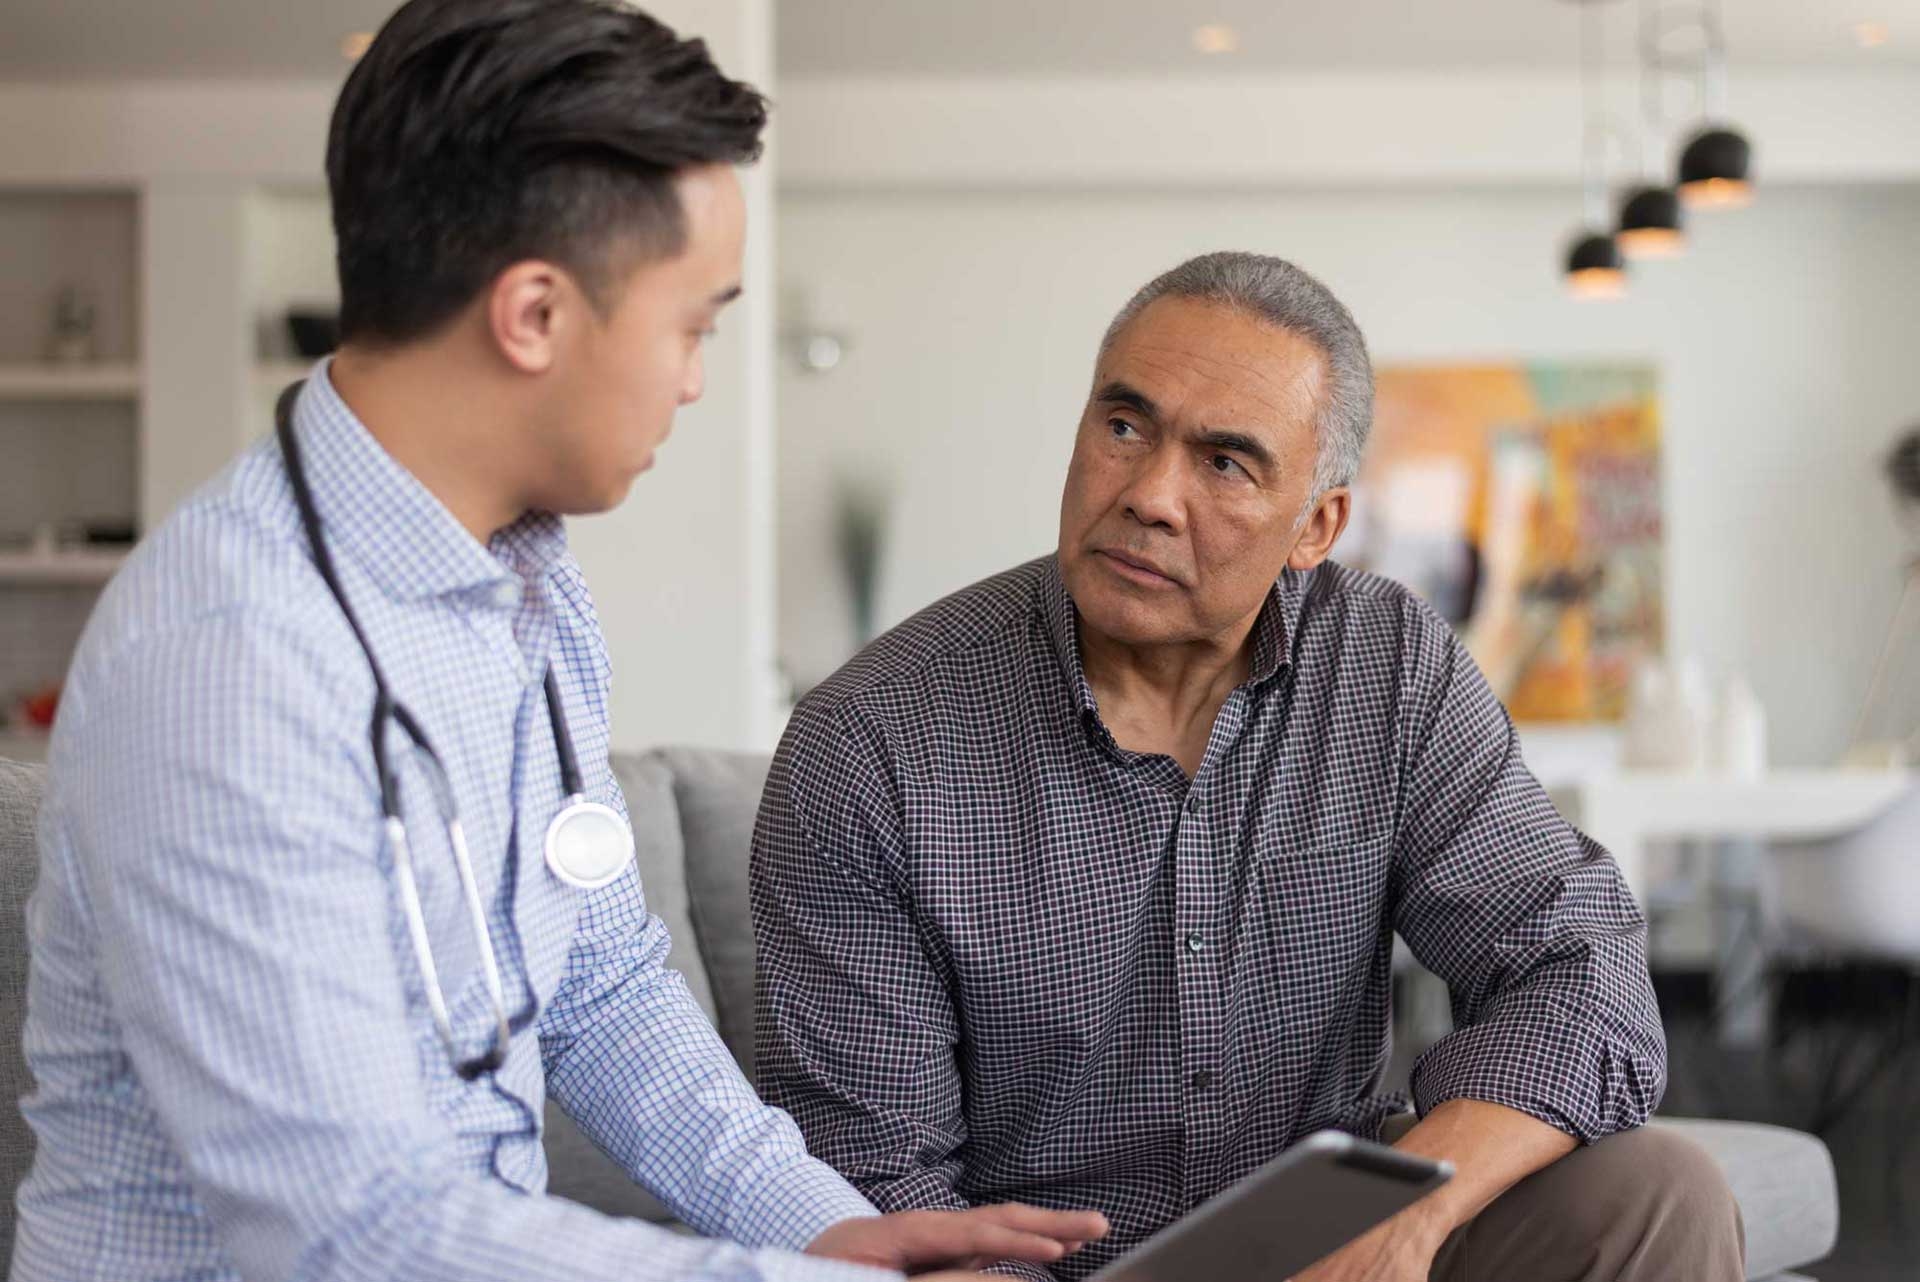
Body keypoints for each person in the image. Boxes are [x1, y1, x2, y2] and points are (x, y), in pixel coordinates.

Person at [10, 4, 1105, 1281]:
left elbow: (599, 979)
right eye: (691, 324)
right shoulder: (226, 659)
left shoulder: (525, 580)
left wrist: (822, 1224)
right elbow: (352, 1227)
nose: (697, 380)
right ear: (533, 315)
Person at [751, 252, 1745, 1281]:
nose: (1150, 496)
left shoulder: (1386, 665)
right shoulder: (870, 741)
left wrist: (1412, 1213)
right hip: (1047, 1270)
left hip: (1334, 1247)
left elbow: (1579, 965)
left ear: (1316, 525)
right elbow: (873, 1177)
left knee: (1658, 1194)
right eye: (1125, 425)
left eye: (1225, 463)